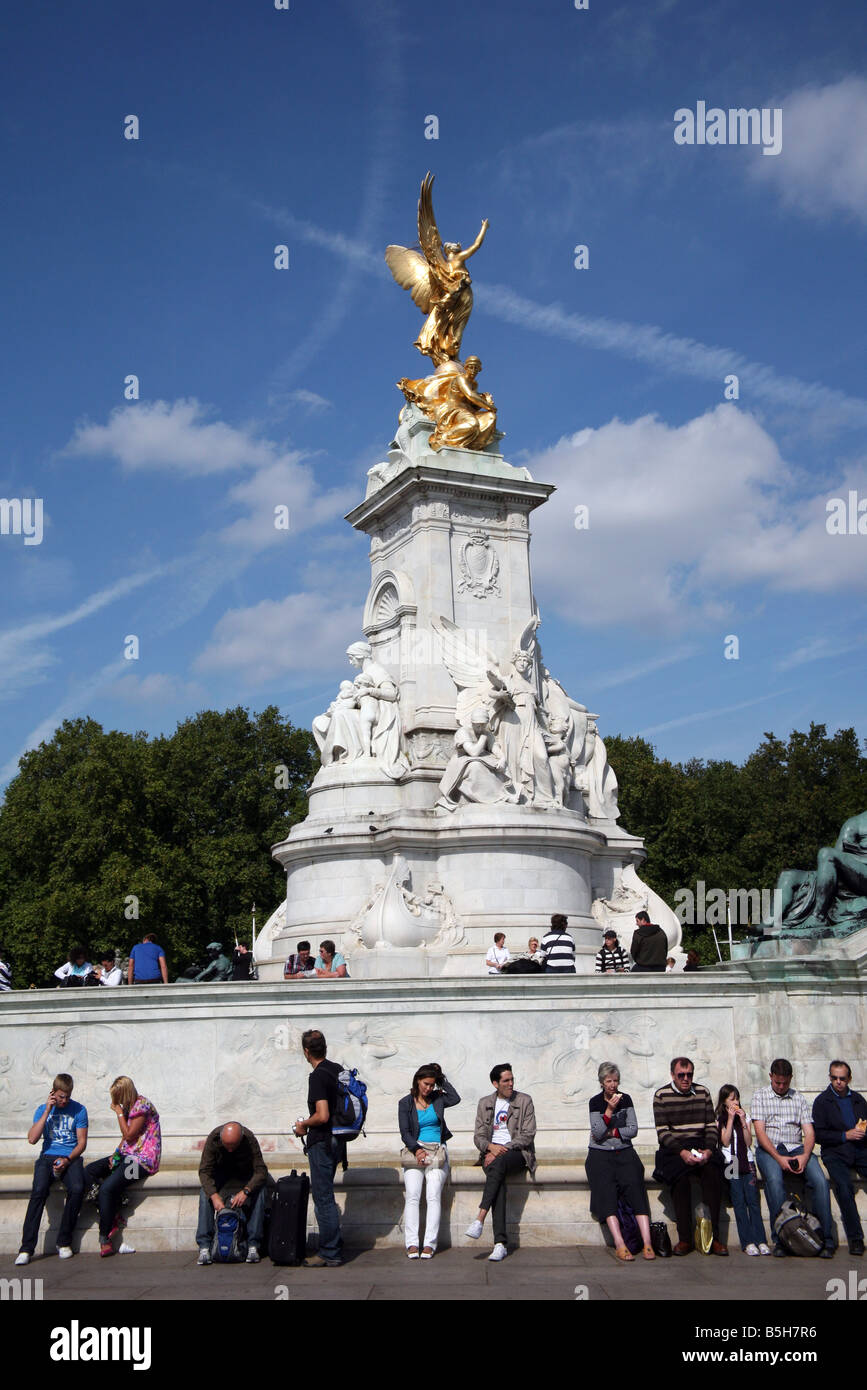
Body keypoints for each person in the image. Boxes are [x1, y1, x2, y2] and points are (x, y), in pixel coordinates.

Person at [751, 1058, 834, 1259]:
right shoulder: (760, 1096)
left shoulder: (798, 1098)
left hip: (796, 1147)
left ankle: (825, 1239)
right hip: (770, 1149)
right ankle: (782, 1239)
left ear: (790, 1079)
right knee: (774, 1180)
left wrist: (805, 1156)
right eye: (777, 1082)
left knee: (820, 1182)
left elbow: (809, 1132)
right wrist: (779, 1159)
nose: (781, 1087)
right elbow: (760, 1133)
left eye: (785, 1083)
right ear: (770, 1077)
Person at [652, 1056, 726, 1255]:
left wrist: (709, 1150)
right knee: (680, 1180)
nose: (685, 1078)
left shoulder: (702, 1092)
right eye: (681, 1075)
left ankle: (714, 1238)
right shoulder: (661, 1095)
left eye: (689, 1075)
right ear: (673, 1075)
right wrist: (682, 1153)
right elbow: (663, 1132)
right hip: (675, 1148)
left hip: (701, 1145)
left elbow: (711, 1127)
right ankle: (685, 1238)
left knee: (713, 1175)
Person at [83, 1077, 161, 1257]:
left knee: (107, 1189)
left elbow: (129, 1134)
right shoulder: (129, 1107)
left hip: (141, 1162)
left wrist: (118, 1113)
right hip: (127, 1156)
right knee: (89, 1171)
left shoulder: (142, 1106)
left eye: (117, 1097)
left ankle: (105, 1238)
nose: (115, 1102)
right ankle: (115, 1205)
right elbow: (127, 1140)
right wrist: (116, 1154)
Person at [466, 1063, 536, 1261]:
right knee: (498, 1176)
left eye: (512, 1079)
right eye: (506, 1081)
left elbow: (528, 1135)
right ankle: (500, 1244)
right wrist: (490, 1147)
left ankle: (480, 1218)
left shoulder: (524, 1101)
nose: (511, 1084)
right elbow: (478, 1135)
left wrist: (502, 1149)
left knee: (498, 1164)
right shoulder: (485, 1102)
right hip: (492, 1153)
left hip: (517, 1152)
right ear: (495, 1083)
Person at [16, 1073, 88, 1264]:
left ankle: (63, 1242)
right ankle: (26, 1248)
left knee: (78, 1188)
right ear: (53, 1093)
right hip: (47, 1157)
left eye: (67, 1096)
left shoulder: (79, 1110)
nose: (64, 1101)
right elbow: (32, 1139)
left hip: (70, 1156)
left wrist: (67, 1159)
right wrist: (48, 1110)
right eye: (60, 1096)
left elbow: (81, 1143)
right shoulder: (42, 1110)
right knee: (38, 1191)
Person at [586, 1062, 655, 1261]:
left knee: (636, 1188)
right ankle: (619, 1243)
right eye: (608, 1081)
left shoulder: (626, 1099)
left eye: (615, 1081)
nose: (613, 1085)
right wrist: (609, 1109)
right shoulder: (595, 1102)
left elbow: (633, 1130)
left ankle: (647, 1243)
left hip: (624, 1151)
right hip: (600, 1154)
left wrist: (614, 1131)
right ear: (601, 1082)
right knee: (606, 1193)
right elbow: (597, 1134)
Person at [398, 1063, 461, 1258]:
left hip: (437, 1151)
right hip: (415, 1150)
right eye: (426, 1084)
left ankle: (429, 1244)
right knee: (413, 1195)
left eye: (432, 1085)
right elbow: (405, 1132)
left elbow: (455, 1098)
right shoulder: (405, 1103)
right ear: (417, 1081)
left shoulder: (438, 1099)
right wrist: (417, 1150)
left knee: (433, 1195)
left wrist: (441, 1079)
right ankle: (411, 1244)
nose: (428, 1088)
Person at [293, 1029, 344, 1267]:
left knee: (324, 1197)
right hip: (337, 1141)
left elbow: (322, 1116)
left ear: (306, 1051)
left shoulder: (318, 1076)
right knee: (327, 1195)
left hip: (322, 1141)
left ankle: (330, 1252)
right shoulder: (337, 1070)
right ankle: (333, 1246)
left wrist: (303, 1124)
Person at [812, 1059, 867, 1255]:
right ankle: (856, 1238)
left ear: (849, 1079)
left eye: (842, 1078)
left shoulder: (859, 1100)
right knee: (844, 1187)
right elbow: (818, 1134)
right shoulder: (822, 1102)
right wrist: (845, 1135)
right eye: (834, 1078)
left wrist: (861, 1132)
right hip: (835, 1153)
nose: (838, 1082)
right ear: (830, 1078)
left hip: (860, 1149)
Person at [196, 1121, 268, 1265]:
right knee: (205, 1193)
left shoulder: (249, 1139)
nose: (229, 1150)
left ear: (240, 1139)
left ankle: (253, 1244)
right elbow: (204, 1171)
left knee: (261, 1191)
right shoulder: (214, 1138)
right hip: (221, 1177)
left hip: (244, 1177)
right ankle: (204, 1246)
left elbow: (261, 1170)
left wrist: (246, 1191)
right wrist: (214, 1195)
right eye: (226, 1145)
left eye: (233, 1146)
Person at [716, 1084, 770, 1255]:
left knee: (753, 1201)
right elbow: (725, 1141)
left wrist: (743, 1122)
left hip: (747, 1160)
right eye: (731, 1099)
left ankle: (761, 1240)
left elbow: (748, 1142)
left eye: (737, 1098)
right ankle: (747, 1242)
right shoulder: (720, 1119)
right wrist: (731, 1119)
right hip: (730, 1161)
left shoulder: (745, 1118)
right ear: (724, 1102)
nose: (735, 1102)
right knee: (739, 1202)